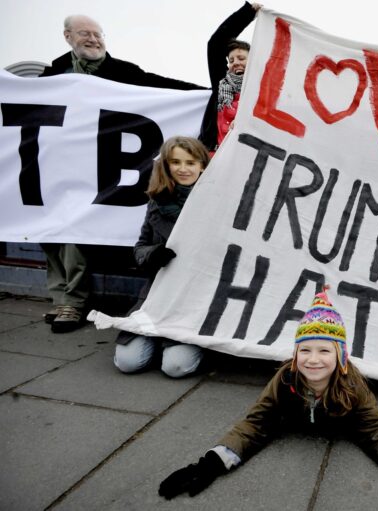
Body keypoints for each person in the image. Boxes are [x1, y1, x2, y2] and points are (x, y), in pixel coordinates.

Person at [158, 287, 378, 505]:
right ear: (295, 355)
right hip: (289, 420)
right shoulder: (284, 379)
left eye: (324, 350)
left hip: (340, 423)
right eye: (305, 350)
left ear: (341, 355)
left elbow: (374, 426)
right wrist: (213, 461)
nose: (313, 360)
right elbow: (256, 421)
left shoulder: (353, 384)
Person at [39, 14, 205, 333]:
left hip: (102, 172)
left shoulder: (124, 73)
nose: (93, 39)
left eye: (98, 34)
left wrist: (203, 95)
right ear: (67, 36)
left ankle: (73, 303)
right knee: (48, 232)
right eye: (85, 33)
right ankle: (58, 297)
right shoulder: (52, 74)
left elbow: (164, 87)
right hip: (61, 167)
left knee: (74, 232)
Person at [113, 137, 210, 378]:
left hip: (194, 301)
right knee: (127, 363)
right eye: (175, 162)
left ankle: (195, 346)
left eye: (190, 162)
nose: (183, 168)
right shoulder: (157, 200)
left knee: (175, 368)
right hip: (158, 295)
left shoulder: (216, 204)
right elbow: (140, 247)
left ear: (203, 166)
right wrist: (153, 255)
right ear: (166, 165)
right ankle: (156, 339)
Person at [200, 1, 262, 152]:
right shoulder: (222, 83)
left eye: (241, 59)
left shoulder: (260, 89)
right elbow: (215, 45)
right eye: (231, 60)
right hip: (212, 156)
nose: (235, 63)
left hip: (245, 158)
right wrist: (247, 13)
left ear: (252, 61)